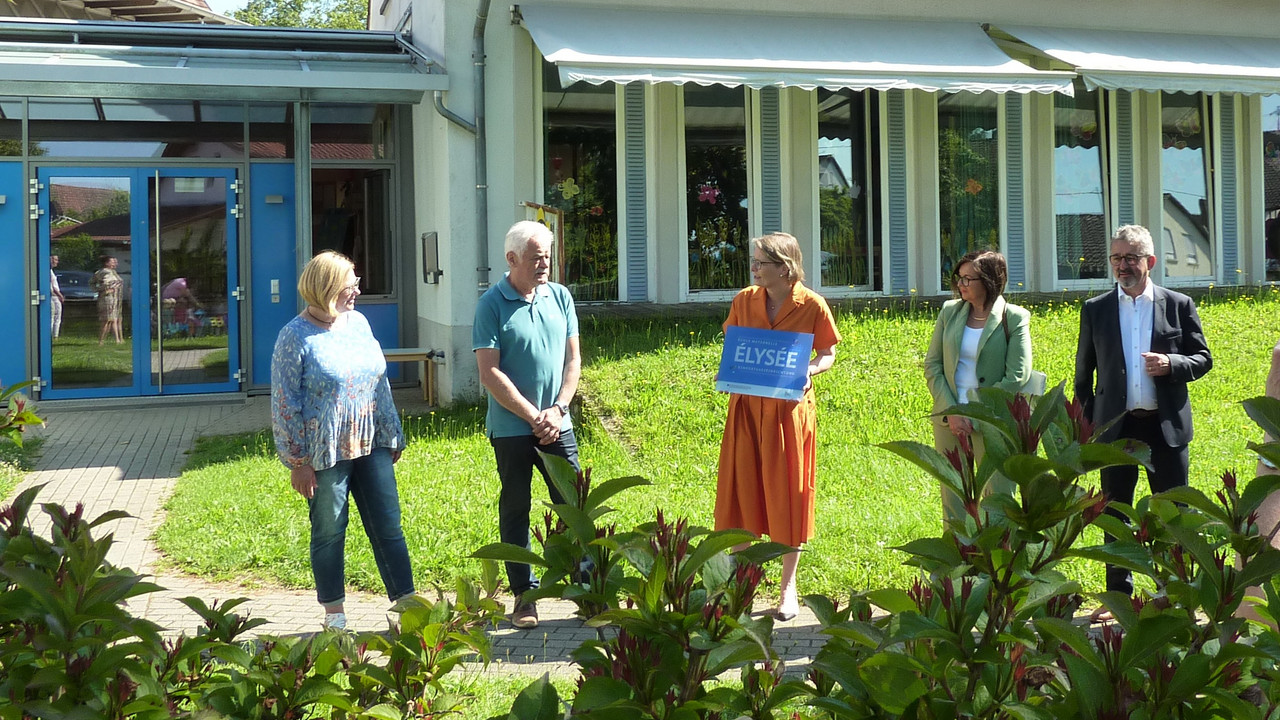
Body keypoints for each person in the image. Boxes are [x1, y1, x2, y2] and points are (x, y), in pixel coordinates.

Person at [271, 250, 414, 631]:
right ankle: (334, 613)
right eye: (351, 284)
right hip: (324, 453)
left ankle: (406, 604)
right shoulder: (294, 336)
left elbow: (379, 381)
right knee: (330, 530)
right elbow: (285, 404)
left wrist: (392, 432)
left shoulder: (359, 323)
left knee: (388, 524)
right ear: (326, 287)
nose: (357, 291)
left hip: (372, 443)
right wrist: (297, 461)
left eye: (356, 283)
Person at [1075, 224, 1212, 606]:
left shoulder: (1178, 304)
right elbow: (1083, 377)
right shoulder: (1095, 309)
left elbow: (1203, 358)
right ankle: (1117, 597)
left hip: (1165, 427)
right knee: (1114, 513)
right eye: (1116, 258)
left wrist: (1171, 363)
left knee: (1173, 515)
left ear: (1150, 261)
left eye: (1131, 258)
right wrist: (1084, 430)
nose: (1122, 266)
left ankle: (1173, 593)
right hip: (1116, 428)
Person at [715, 232, 840, 621]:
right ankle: (742, 585)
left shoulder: (813, 305)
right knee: (741, 494)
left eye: (760, 263)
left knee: (789, 496)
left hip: (788, 414)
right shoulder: (744, 300)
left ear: (785, 267)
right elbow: (734, 345)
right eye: (753, 261)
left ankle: (788, 589)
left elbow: (828, 353)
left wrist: (809, 371)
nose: (753, 268)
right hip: (747, 410)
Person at [473, 220, 581, 631]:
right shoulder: (491, 305)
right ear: (511, 259)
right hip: (513, 428)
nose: (544, 264)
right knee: (516, 507)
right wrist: (533, 416)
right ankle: (525, 596)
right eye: (536, 257)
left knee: (574, 506)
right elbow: (490, 373)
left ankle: (587, 590)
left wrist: (557, 410)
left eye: (548, 257)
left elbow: (573, 361)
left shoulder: (560, 297)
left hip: (559, 424)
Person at [923, 250, 1033, 522]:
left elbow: (1017, 375)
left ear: (989, 281)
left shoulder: (1015, 318)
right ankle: (958, 561)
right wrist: (954, 411)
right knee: (954, 501)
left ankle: (998, 562)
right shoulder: (950, 312)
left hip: (994, 423)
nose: (960, 285)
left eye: (967, 279)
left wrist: (975, 413)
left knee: (998, 501)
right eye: (958, 278)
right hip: (950, 420)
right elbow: (932, 366)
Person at [91, 255, 124, 345]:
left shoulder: (112, 272)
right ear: (107, 263)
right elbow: (99, 283)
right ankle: (101, 341)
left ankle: (117, 339)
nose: (114, 263)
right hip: (108, 298)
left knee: (114, 319)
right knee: (107, 319)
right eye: (112, 261)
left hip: (115, 298)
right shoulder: (105, 272)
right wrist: (102, 289)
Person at [49, 254, 64, 340]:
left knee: (57, 316)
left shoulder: (51, 271)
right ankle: (52, 335)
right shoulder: (48, 272)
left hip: (55, 296)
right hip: (53, 296)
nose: (56, 262)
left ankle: (55, 335)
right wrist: (60, 295)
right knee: (53, 316)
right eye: (55, 259)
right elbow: (53, 287)